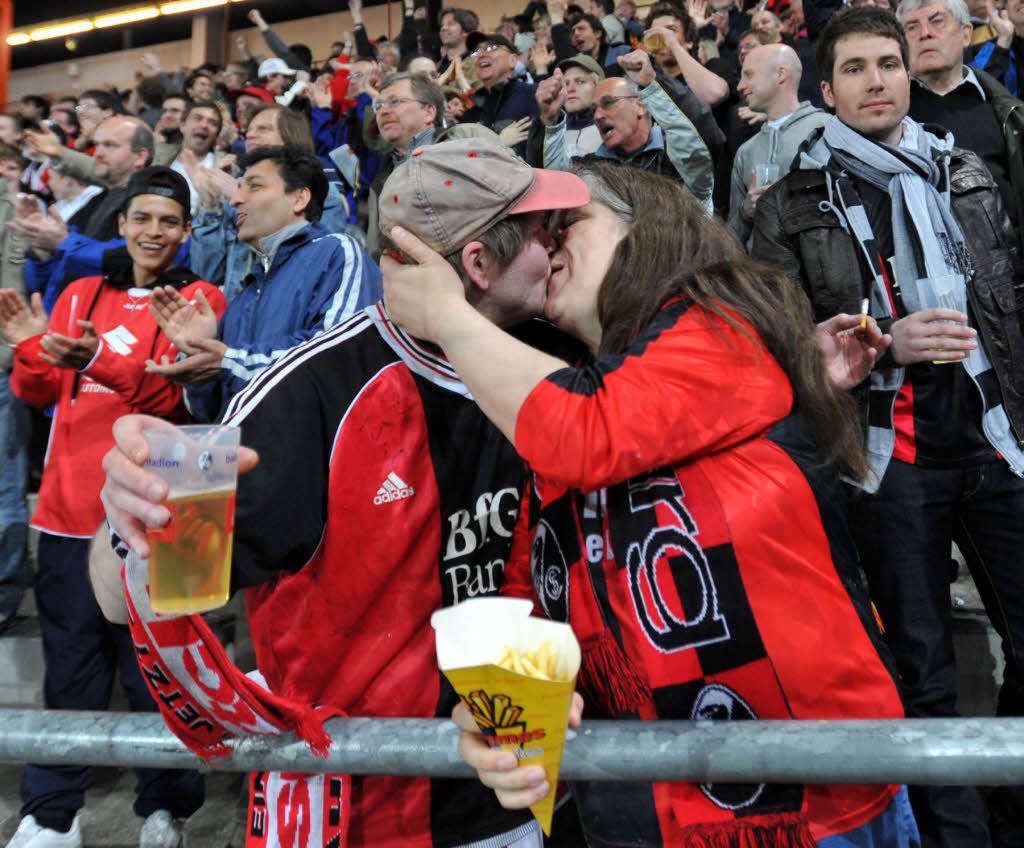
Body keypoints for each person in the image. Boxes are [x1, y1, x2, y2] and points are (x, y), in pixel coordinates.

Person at [381, 159, 911, 848]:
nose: (547, 243)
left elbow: (587, 433)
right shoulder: (566, 393)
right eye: (538, 231)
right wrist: (504, 721)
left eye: (567, 223)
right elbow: (524, 606)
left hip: (808, 808)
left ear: (648, 228)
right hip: (638, 818)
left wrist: (449, 316)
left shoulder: (723, 330)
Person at [96, 137, 591, 847]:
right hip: (368, 812)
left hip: (523, 784)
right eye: (545, 232)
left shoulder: (568, 360)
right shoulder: (311, 392)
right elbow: (130, 593)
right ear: (479, 265)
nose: (560, 245)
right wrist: (127, 522)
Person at [750, 7, 1024, 846]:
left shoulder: (968, 171)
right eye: (858, 69)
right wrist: (883, 345)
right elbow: (764, 341)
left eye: (890, 65)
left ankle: (1008, 816)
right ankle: (960, 834)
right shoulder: (788, 201)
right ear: (825, 91)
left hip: (994, 440)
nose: (878, 81)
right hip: (881, 456)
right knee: (923, 672)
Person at [0, 166, 221, 848]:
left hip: (173, 504)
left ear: (186, 234)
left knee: (163, 665)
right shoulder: (76, 291)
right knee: (71, 663)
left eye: (168, 221)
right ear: (120, 227)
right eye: (142, 219)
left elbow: (174, 400)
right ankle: (53, 811)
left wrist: (96, 358)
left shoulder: (201, 297)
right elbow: (39, 393)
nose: (153, 232)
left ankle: (168, 807)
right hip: (69, 505)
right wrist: (32, 349)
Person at [145, 145, 380, 423]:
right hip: (244, 460)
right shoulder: (246, 292)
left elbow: (337, 356)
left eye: (253, 187)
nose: (235, 200)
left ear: (299, 198)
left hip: (313, 459)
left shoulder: (336, 251)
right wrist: (200, 351)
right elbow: (209, 411)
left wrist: (230, 362)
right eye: (238, 187)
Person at [900, 0, 1024, 251]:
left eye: (937, 21)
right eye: (912, 27)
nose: (925, 33)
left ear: (966, 34)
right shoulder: (893, 118)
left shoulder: (1005, 109)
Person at [539, 49, 715, 209]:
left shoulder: (676, 159)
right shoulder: (591, 168)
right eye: (594, 109)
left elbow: (696, 146)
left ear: (640, 105)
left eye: (608, 103)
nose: (597, 116)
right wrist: (551, 120)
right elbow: (560, 184)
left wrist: (651, 86)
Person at [364, 71, 503, 260]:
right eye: (378, 106)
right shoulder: (380, 179)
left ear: (428, 112)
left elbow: (515, 194)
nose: (383, 112)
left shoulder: (469, 137)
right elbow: (376, 250)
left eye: (395, 102)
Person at [728, 43, 827, 242]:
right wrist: (746, 210)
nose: (740, 86)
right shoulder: (746, 152)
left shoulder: (828, 131)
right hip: (763, 271)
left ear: (781, 74)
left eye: (748, 75)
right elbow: (732, 239)